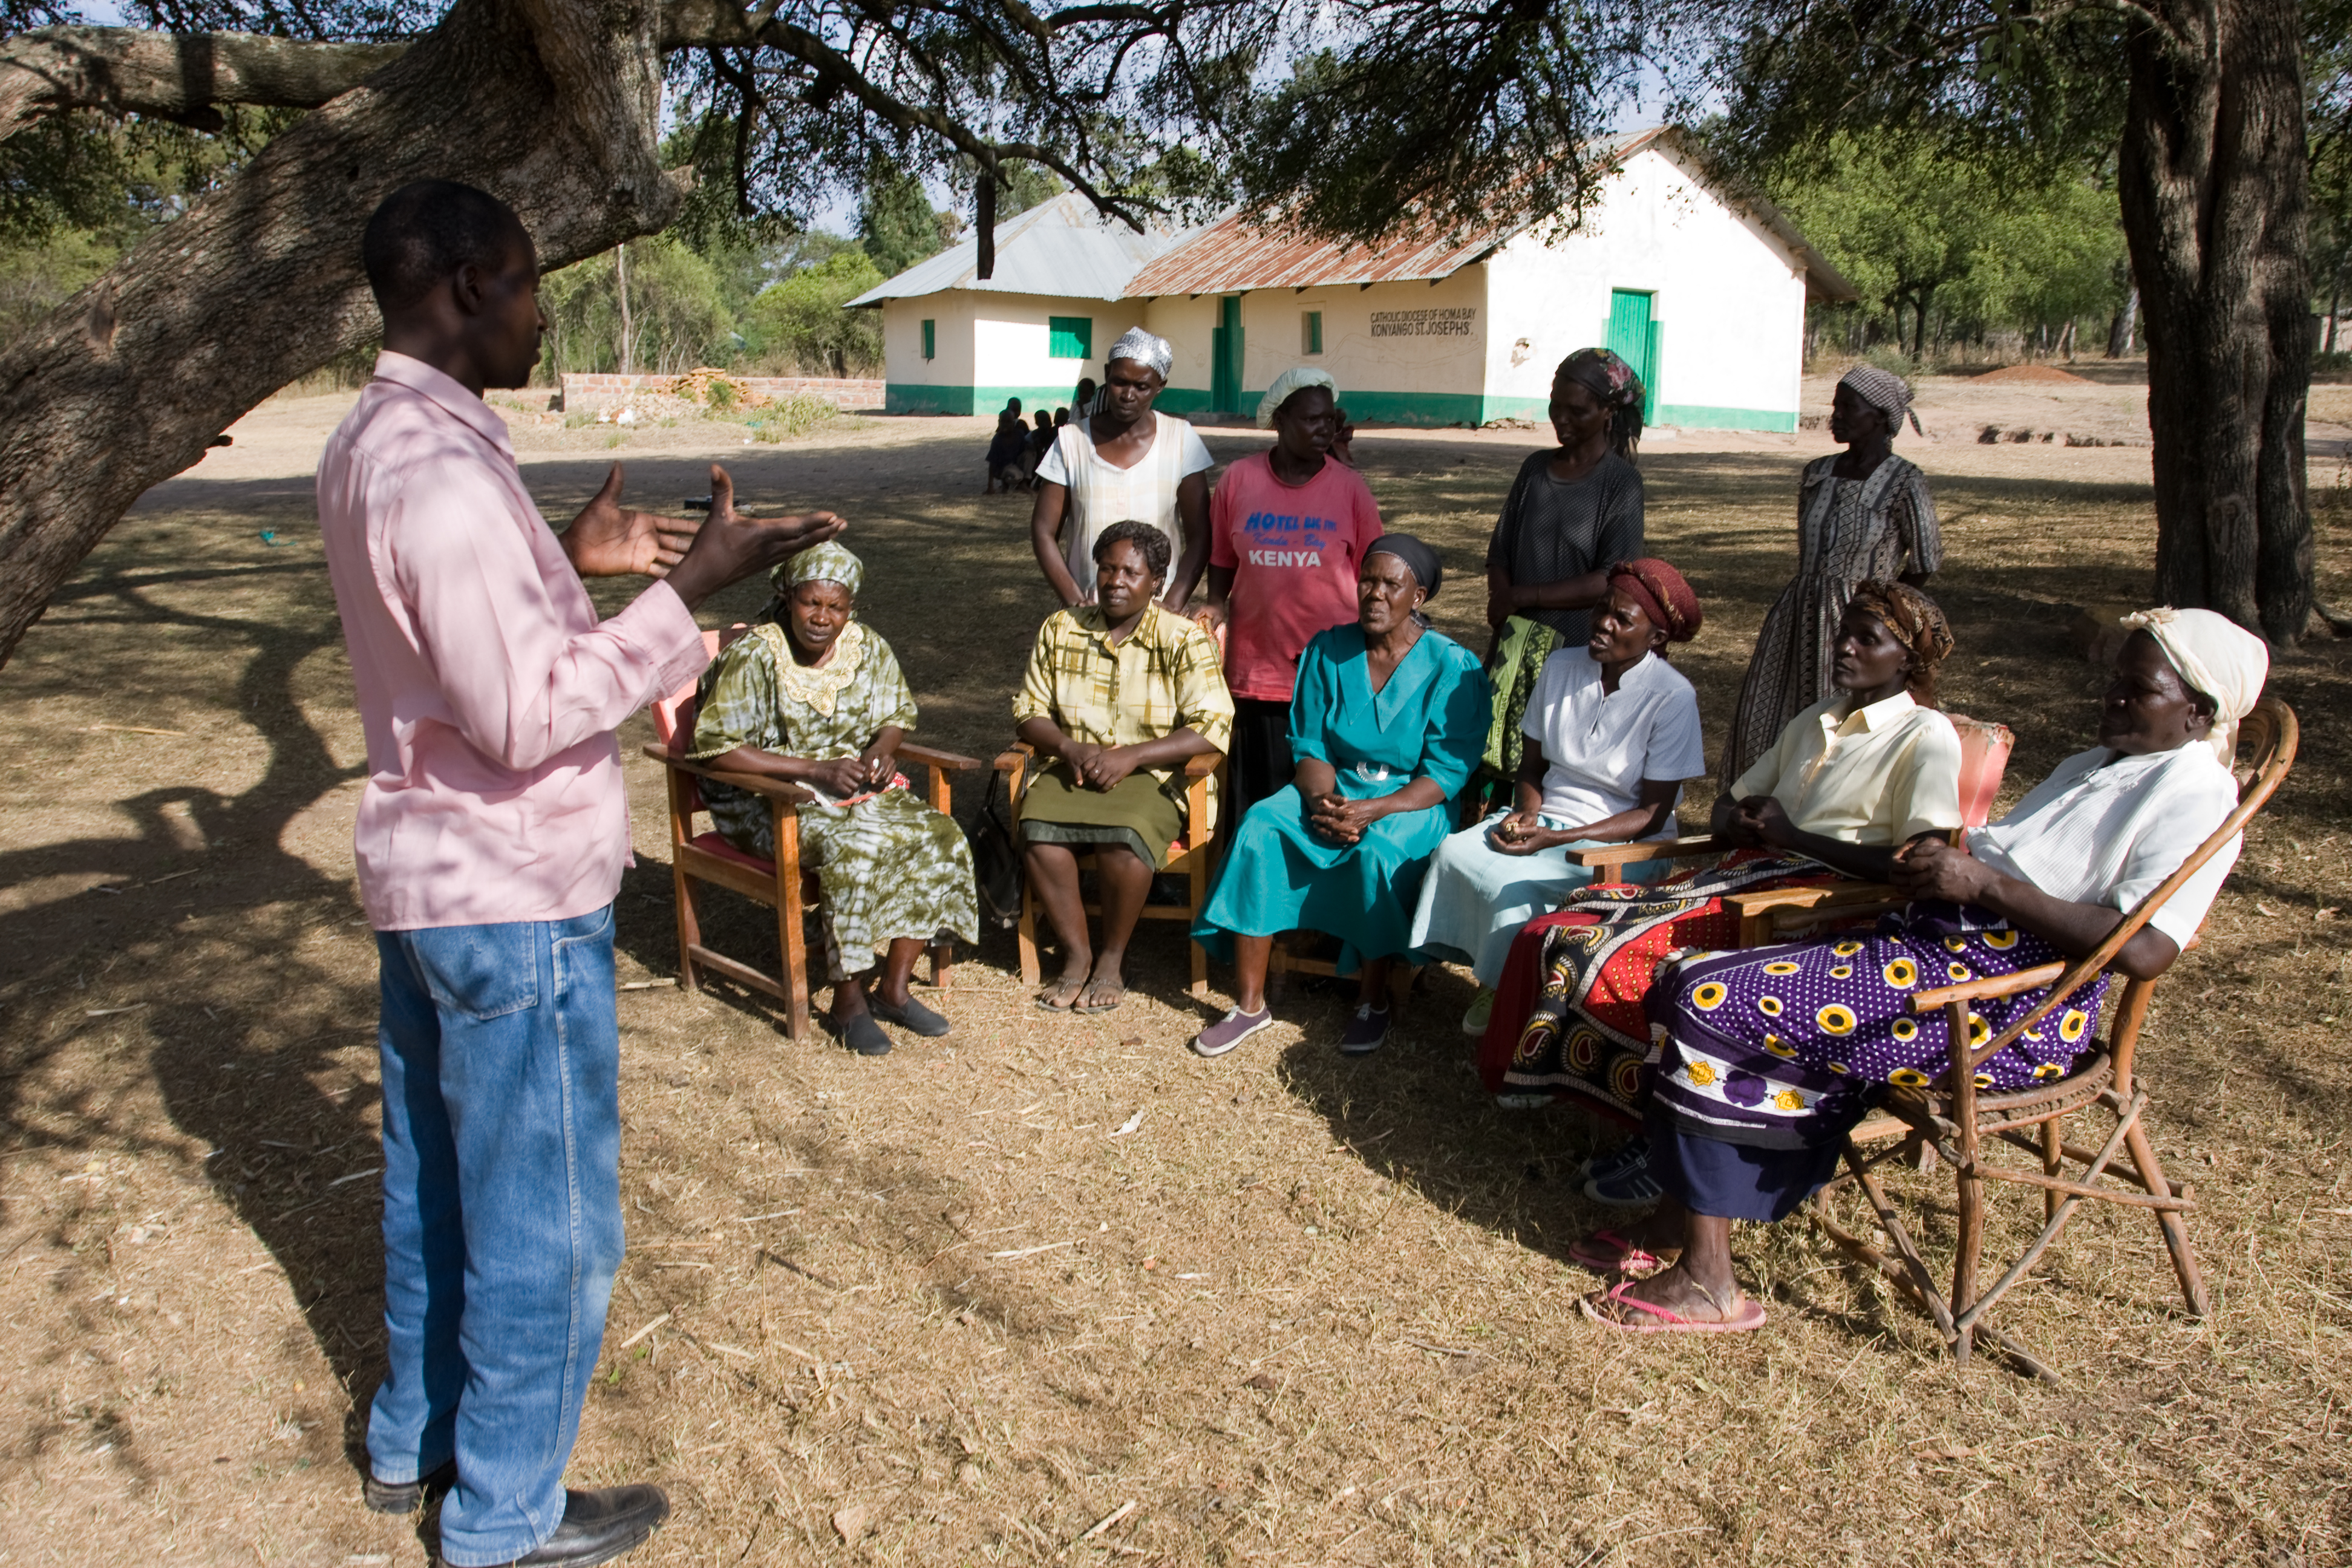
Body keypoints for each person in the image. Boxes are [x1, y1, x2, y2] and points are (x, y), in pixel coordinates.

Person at [317, 180, 842, 1568]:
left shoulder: (374, 437)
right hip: (511, 893)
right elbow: (513, 714)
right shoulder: (433, 467)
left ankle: (412, 1442)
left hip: (432, 880)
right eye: (536, 284)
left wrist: (568, 558)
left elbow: (447, 637)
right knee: (548, 1225)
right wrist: (685, 598)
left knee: (438, 1182)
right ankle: (498, 1516)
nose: (546, 312)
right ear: (472, 284)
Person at [1577, 609, 2267, 1331]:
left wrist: (1984, 886)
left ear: (2199, 711)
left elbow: (2146, 948)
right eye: (2117, 680)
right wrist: (1944, 873)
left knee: (1714, 1000)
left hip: (2005, 1011)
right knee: (1683, 975)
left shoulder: (2197, 793)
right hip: (1931, 957)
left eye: (2139, 687)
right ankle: (1677, 1220)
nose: (2114, 697)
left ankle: (1708, 1281)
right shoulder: (2096, 766)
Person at [1483, 583, 1964, 1206]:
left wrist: (1797, 837)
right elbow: (1732, 800)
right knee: (1576, 927)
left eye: (1865, 640)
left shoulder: (1923, 735)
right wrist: (1738, 821)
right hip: (1747, 869)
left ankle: (1667, 1141)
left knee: (1645, 959)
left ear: (1905, 660)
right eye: (1844, 631)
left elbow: (1915, 865)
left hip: (1820, 907)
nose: (1844, 646)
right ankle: (1636, 1113)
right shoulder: (1819, 716)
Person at [1191, 536, 1491, 1059]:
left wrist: (1374, 810)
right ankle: (1250, 1004)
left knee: (1378, 853)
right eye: (1367, 581)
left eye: (1390, 585)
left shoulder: (1453, 666)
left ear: (1417, 596)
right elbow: (1308, 744)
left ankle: (1371, 1000)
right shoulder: (1329, 648)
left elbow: (1447, 771)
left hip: (1409, 803)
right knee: (1261, 826)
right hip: (1330, 790)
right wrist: (1322, 802)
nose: (1374, 594)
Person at [685, 542, 979, 1057]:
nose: (822, 618)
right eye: (810, 604)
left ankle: (893, 988)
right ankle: (848, 1001)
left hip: (848, 788)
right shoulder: (756, 655)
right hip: (764, 800)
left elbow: (895, 716)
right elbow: (717, 749)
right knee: (856, 848)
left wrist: (883, 752)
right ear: (787, 596)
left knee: (939, 834)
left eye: (835, 607)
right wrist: (812, 769)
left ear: (851, 609)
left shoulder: (867, 647)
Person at [1410, 560, 1706, 1038]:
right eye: (1601, 609)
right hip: (1548, 816)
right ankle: (1491, 969)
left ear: (1654, 639)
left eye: (1622, 619)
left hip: (1624, 844)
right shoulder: (1562, 665)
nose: (1603, 624)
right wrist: (1528, 814)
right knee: (1453, 851)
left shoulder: (1673, 698)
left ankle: (1506, 988)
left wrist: (1558, 837)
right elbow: (1532, 768)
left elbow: (1652, 816)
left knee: (1519, 886)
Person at [1015, 520, 1235, 1014]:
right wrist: (1070, 749)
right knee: (1037, 829)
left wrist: (1131, 755)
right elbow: (1028, 709)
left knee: (1123, 834)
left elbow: (1213, 725)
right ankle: (1076, 955)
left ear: (1157, 581)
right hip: (1074, 765)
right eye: (1107, 568)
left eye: (1131, 572)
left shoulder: (1183, 640)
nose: (1115, 580)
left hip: (1154, 775)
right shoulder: (1062, 627)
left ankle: (1112, 959)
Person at [1719, 365, 1942, 786]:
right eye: (1835, 405)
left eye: (1847, 407)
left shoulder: (1904, 481)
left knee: (1839, 712)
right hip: (1799, 611)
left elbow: (1926, 560)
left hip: (1857, 619)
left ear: (1878, 416)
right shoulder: (1817, 473)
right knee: (1771, 711)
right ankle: (1758, 799)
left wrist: (1885, 616)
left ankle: (1821, 800)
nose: (1835, 415)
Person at [1199, 367, 1385, 830]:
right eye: (1311, 420)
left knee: (1322, 798)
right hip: (1255, 668)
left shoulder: (1350, 489)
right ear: (1279, 421)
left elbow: (1375, 570)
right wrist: (1216, 602)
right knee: (1256, 798)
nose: (1326, 430)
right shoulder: (1239, 481)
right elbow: (1222, 555)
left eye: (1331, 420)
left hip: (1331, 672)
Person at [1476, 348, 1648, 813]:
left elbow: (1610, 579)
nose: (1562, 419)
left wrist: (1521, 597)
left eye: (1578, 411)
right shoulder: (1535, 469)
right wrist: (1502, 599)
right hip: (1515, 644)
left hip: (1574, 650)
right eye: (1556, 406)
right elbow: (1501, 550)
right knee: (1491, 759)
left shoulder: (1620, 485)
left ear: (1608, 413)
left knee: (1546, 761)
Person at [1031, 327, 1216, 610]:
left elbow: (1201, 534)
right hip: (1089, 610)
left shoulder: (1181, 440)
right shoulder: (1071, 441)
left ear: (1160, 386)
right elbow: (1043, 530)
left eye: (1141, 387)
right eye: (1120, 382)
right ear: (1106, 375)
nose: (1128, 395)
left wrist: (1172, 602)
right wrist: (1075, 601)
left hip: (1157, 615)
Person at [984, 408, 1030, 494]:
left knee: (1031, 454)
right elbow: (992, 462)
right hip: (1004, 468)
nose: (1005, 425)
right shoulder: (998, 440)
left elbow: (1024, 451)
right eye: (1003, 422)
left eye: (1008, 422)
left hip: (1016, 465)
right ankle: (1014, 483)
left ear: (1013, 423)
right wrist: (990, 486)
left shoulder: (1019, 435)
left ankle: (1024, 483)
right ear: (999, 423)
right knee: (1015, 476)